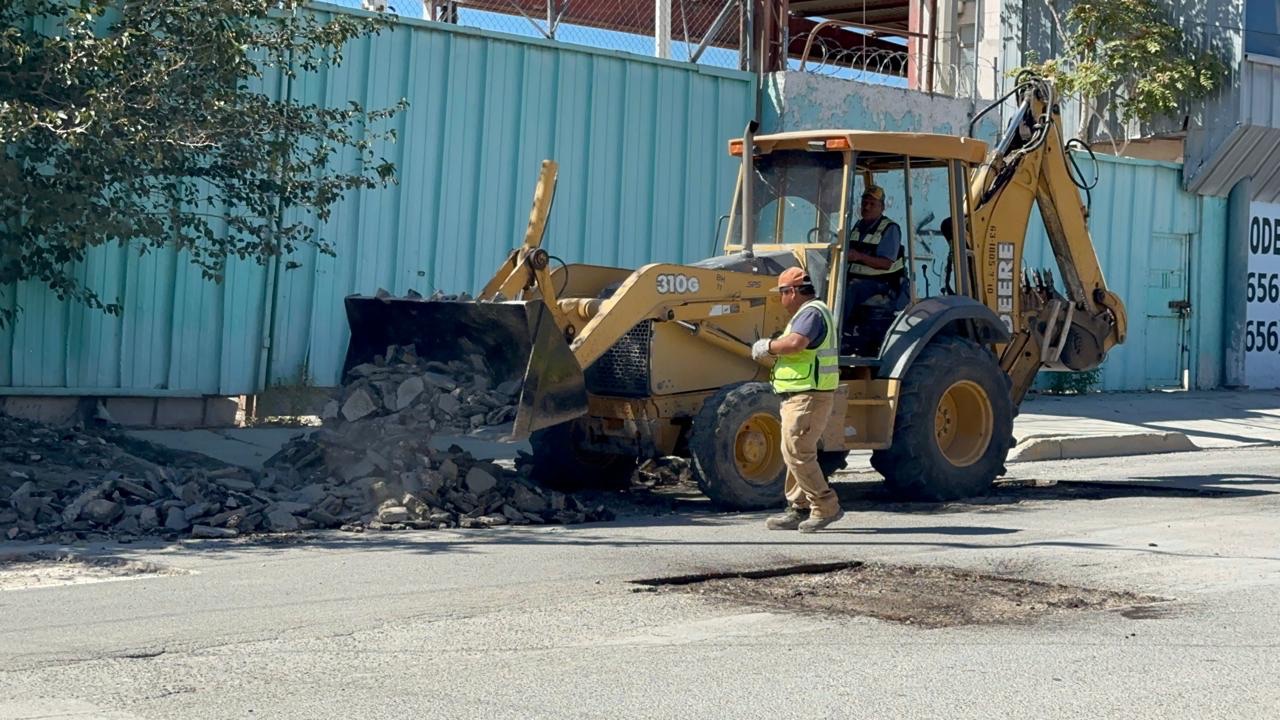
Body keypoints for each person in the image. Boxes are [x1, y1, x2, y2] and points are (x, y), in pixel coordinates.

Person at [750, 267, 844, 533]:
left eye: (781, 293)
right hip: (800, 394)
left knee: (798, 452)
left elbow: (795, 344)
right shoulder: (811, 312)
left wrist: (767, 346)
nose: (781, 299)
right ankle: (798, 507)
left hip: (808, 395)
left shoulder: (811, 313)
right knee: (792, 452)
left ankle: (825, 506)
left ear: (791, 291)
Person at [844, 186, 905, 319]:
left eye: (872, 204)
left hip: (882, 283)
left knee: (851, 288)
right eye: (864, 203)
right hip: (858, 278)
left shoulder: (890, 229)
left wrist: (859, 256)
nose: (867, 207)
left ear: (882, 207)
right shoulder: (858, 226)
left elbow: (886, 263)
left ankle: (837, 329)